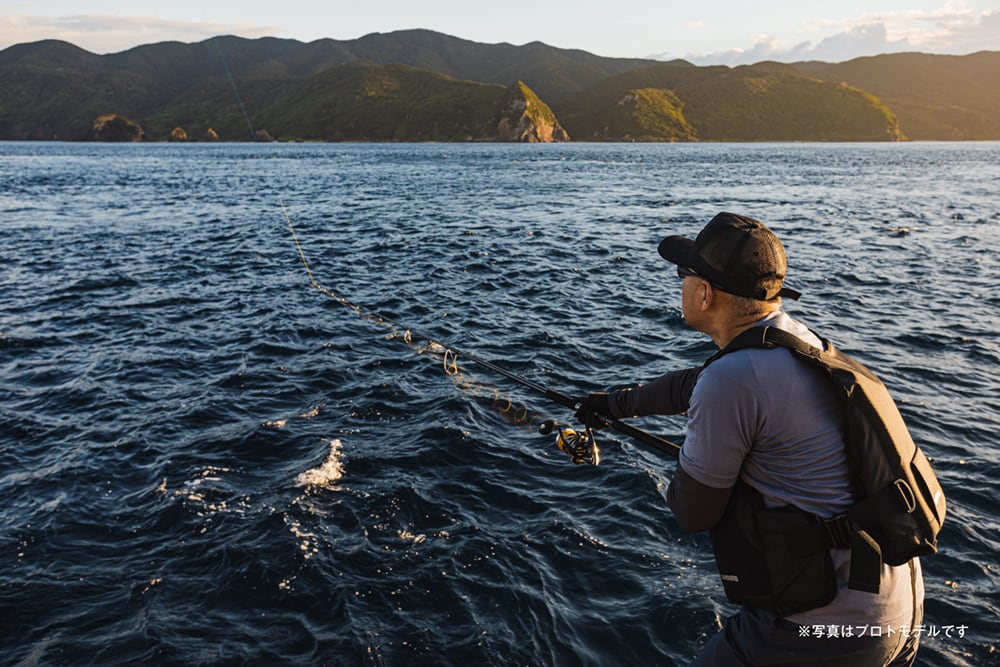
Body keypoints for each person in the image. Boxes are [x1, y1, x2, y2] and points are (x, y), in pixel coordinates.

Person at [575, 212, 923, 666]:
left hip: (827, 623)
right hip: (900, 605)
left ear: (705, 293)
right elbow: (695, 383)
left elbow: (693, 511)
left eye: (685, 275)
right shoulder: (797, 341)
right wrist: (615, 404)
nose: (680, 284)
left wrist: (699, 462)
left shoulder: (734, 380)